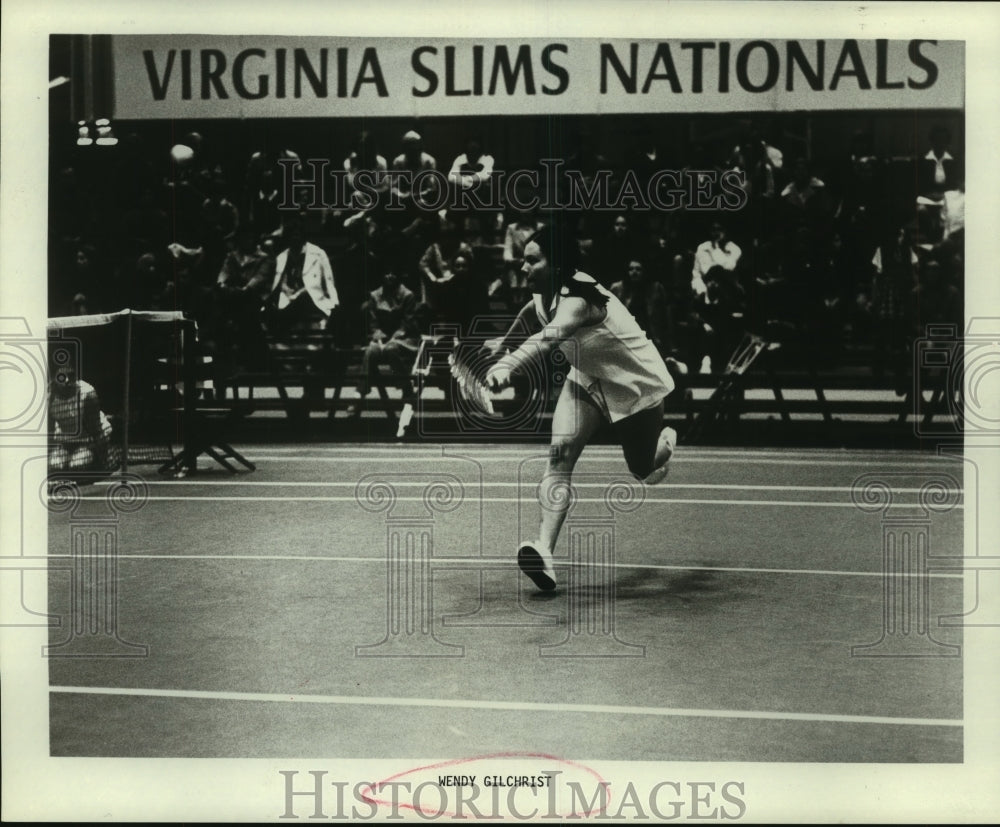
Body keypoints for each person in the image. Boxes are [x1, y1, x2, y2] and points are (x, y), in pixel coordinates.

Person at [484, 221, 676, 592]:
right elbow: (531, 313)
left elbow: (550, 333)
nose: (523, 269)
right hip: (587, 376)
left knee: (641, 467)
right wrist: (503, 345)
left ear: (556, 265)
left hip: (634, 384)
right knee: (559, 454)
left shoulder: (579, 298)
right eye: (523, 261)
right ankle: (543, 550)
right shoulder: (543, 292)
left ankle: (665, 444)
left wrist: (509, 364)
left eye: (532, 262)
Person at [48, 363, 113, 474]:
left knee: (77, 466)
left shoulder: (87, 392)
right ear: (54, 378)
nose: (67, 380)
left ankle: (98, 457)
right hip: (66, 440)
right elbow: (49, 430)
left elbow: (96, 429)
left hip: (89, 438)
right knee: (55, 466)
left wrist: (102, 453)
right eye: (62, 376)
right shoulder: (48, 396)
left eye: (71, 375)